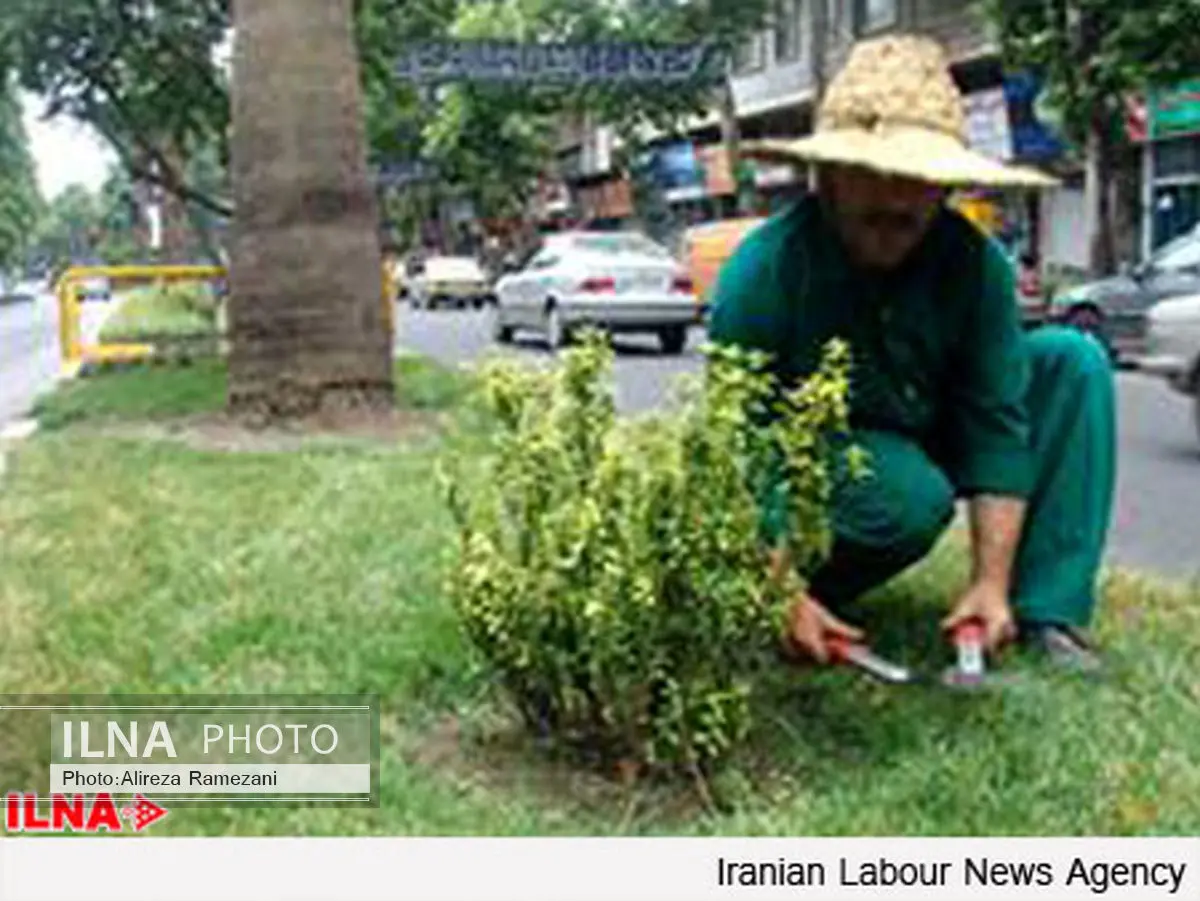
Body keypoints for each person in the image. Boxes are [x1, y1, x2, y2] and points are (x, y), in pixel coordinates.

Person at [709, 34, 1115, 672]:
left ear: (946, 186)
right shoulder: (764, 271)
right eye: (874, 175)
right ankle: (806, 594)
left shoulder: (977, 267)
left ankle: (1042, 610)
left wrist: (989, 578)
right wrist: (774, 587)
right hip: (814, 472)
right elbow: (733, 449)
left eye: (918, 181)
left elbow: (996, 423)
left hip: (926, 429)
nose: (896, 201)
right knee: (906, 495)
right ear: (830, 177)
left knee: (1073, 360)